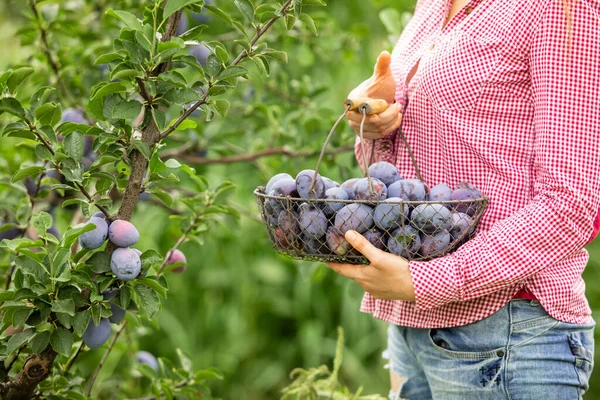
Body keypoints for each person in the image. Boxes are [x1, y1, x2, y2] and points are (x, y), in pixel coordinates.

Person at [326, 0, 600, 399]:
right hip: (412, 329)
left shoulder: (558, 8)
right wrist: (376, 126)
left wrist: (429, 280)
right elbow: (408, 173)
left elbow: (572, 202)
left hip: (505, 334)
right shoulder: (436, 3)